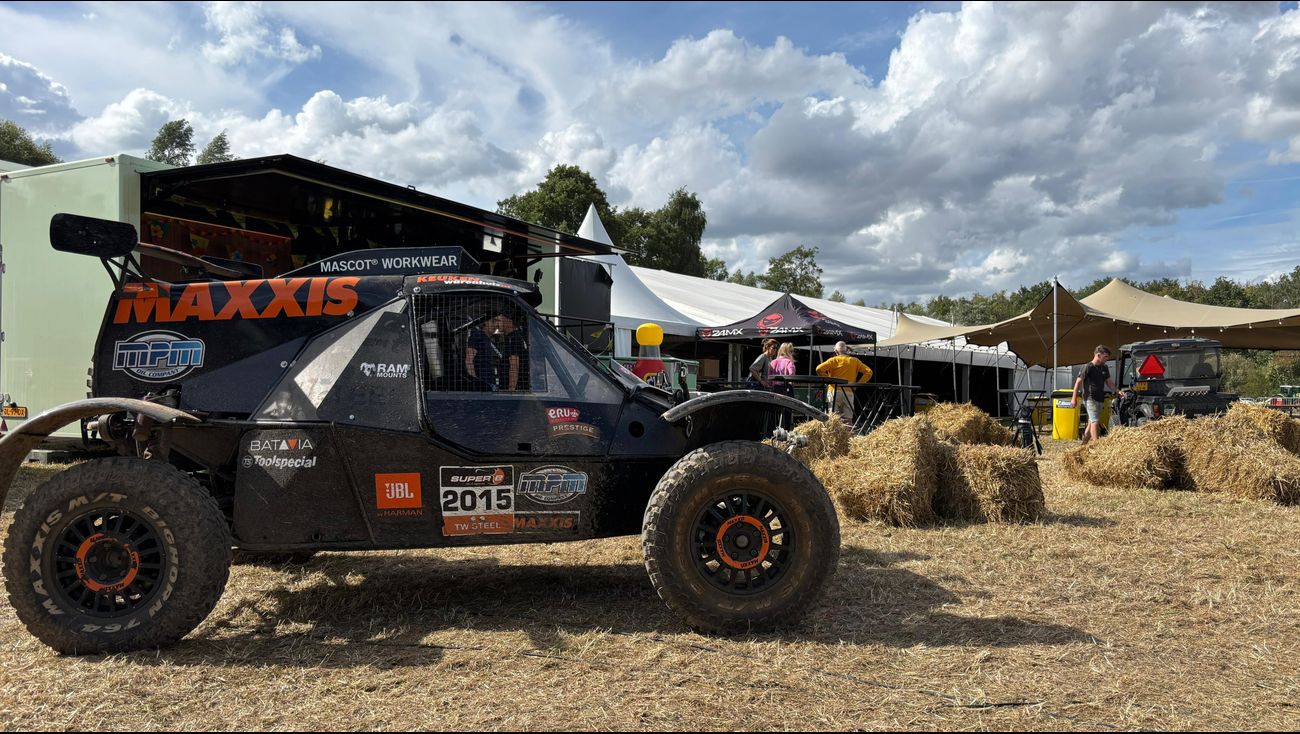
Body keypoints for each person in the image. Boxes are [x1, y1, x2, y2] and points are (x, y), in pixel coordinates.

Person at [1070, 344, 1124, 445]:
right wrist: (1074, 399)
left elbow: (1109, 382)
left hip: (1100, 398)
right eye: (1105, 357)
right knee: (1095, 421)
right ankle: (1097, 445)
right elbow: (1078, 382)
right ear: (1098, 355)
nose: (1107, 359)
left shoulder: (1104, 367)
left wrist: (1118, 391)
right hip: (1089, 398)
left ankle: (1083, 445)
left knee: (1091, 422)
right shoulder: (1087, 367)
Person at [816, 341, 872, 423]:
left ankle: (833, 436)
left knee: (832, 419)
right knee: (848, 419)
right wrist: (857, 384)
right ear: (846, 350)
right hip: (849, 391)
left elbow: (818, 369)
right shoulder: (854, 361)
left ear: (835, 351)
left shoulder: (833, 360)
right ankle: (849, 436)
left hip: (834, 391)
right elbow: (869, 372)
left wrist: (828, 380)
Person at [465, 311, 503, 391]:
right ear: (485, 322)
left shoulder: (487, 339)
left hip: (489, 384)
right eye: (493, 321)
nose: (496, 324)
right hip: (482, 386)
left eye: (498, 321)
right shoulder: (477, 335)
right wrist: (475, 382)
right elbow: (469, 360)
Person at [495, 313, 529, 392]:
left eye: (499, 321)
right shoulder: (516, 336)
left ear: (509, 321)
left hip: (515, 390)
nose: (496, 324)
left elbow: (514, 367)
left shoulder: (513, 339)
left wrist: (511, 391)